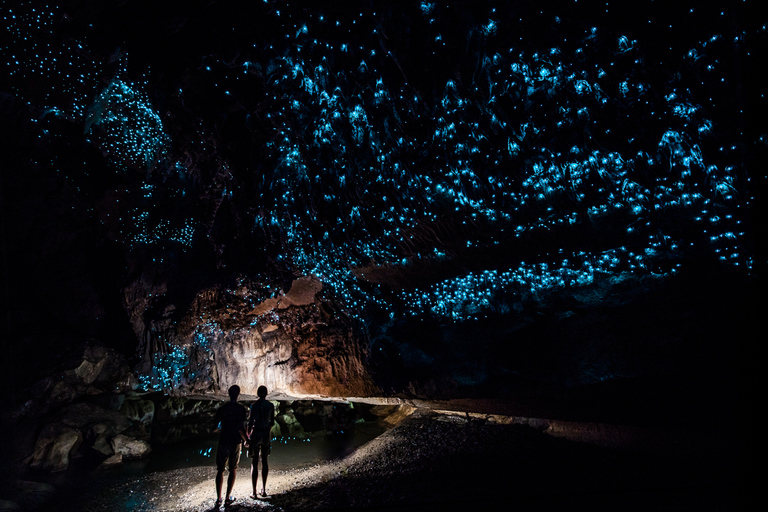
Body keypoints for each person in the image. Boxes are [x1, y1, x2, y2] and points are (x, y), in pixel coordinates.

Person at [212, 385, 249, 508]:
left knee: (220, 469)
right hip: (235, 441)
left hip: (223, 440)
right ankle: (227, 498)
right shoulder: (240, 409)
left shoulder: (223, 409)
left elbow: (214, 428)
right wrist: (247, 440)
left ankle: (218, 499)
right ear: (238, 394)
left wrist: (221, 428)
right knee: (232, 468)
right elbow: (240, 428)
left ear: (228, 393)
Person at [247, 385, 275, 499]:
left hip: (256, 433)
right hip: (265, 434)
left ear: (258, 394)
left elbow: (250, 422)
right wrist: (267, 431)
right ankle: (263, 489)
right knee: (264, 460)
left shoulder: (254, 406)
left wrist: (248, 436)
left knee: (254, 462)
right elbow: (272, 422)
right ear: (266, 394)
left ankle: (254, 492)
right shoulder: (270, 405)